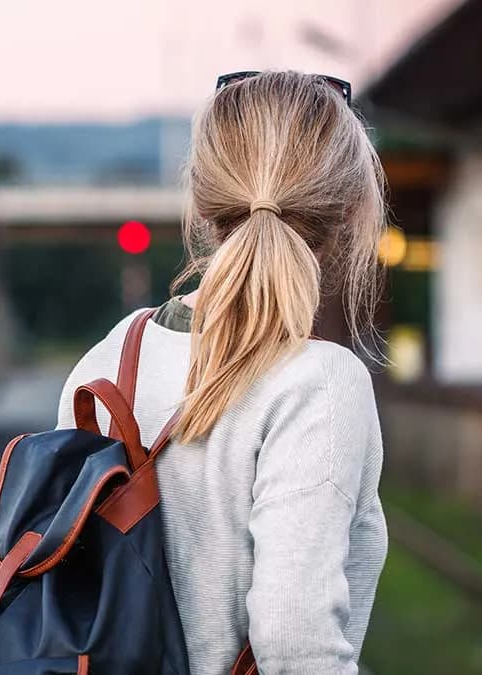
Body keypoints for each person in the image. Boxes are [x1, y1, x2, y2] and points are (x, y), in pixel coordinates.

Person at [56, 70, 388, 674]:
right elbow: (294, 642)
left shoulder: (109, 358)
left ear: (205, 206)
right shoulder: (322, 384)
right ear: (349, 212)